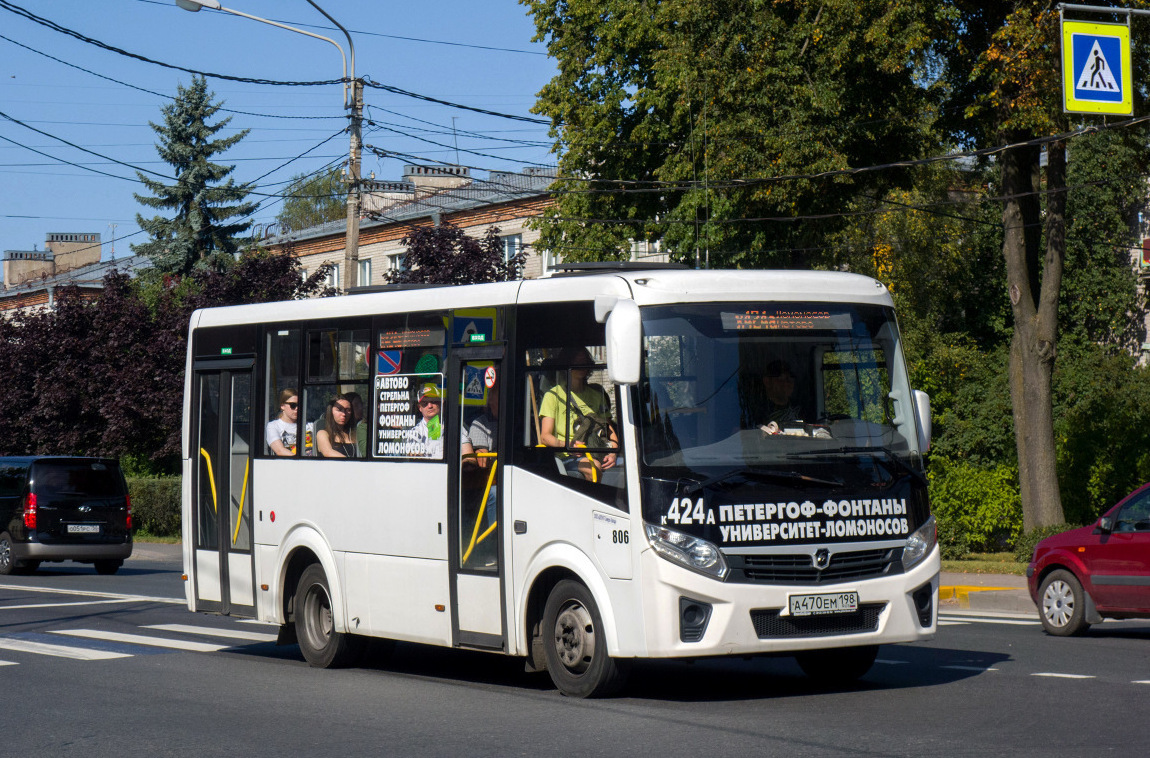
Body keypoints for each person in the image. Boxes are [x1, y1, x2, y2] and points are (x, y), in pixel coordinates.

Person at [539, 347, 618, 480]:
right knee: (593, 469)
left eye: (584, 361)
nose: (581, 365)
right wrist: (568, 445)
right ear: (567, 364)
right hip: (568, 456)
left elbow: (608, 429)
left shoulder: (597, 395)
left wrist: (613, 452)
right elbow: (545, 437)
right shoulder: (552, 396)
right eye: (576, 361)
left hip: (597, 448)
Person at [461, 377, 499, 566]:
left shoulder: (518, 423)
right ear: (489, 400)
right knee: (495, 494)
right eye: (497, 395)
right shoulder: (480, 423)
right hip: (485, 482)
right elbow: (482, 459)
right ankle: (494, 546)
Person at [405, 384, 443, 459]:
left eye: (433, 401)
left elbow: (467, 456)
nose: (430, 406)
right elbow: (416, 460)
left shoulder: (455, 427)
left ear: (440, 403)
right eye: (425, 403)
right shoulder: (415, 432)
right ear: (420, 408)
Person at [759, 360, 802, 425]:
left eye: (790, 379)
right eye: (781, 379)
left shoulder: (799, 409)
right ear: (767, 381)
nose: (787, 383)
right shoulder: (760, 410)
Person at [265, 388, 299, 456]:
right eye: (293, 405)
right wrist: (302, 461)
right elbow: (280, 451)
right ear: (282, 406)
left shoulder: (309, 425)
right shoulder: (273, 426)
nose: (297, 408)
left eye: (299, 405)